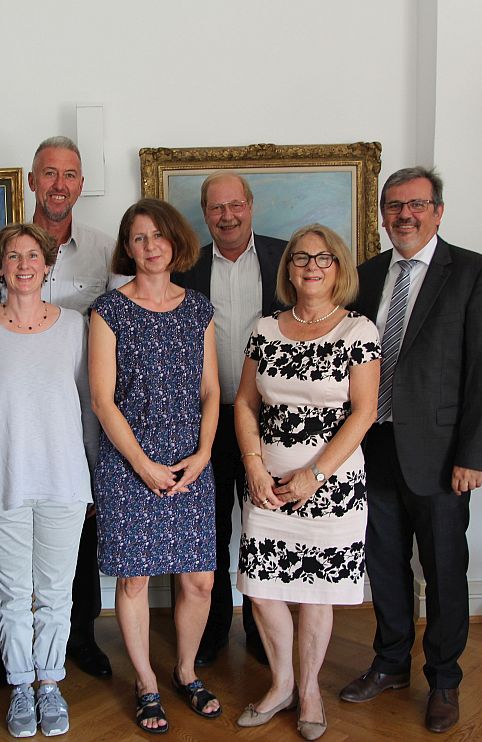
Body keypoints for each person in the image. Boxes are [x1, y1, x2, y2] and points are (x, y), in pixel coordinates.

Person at [339, 167, 482, 734]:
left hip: (441, 456)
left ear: (438, 210)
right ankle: (390, 663)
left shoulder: (475, 274)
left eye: (415, 204)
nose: (403, 215)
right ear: (383, 214)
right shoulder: (364, 275)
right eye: (393, 206)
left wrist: (474, 454)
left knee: (443, 568)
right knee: (384, 564)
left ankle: (444, 679)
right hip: (372, 445)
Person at [0, 136, 115, 683]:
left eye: (70, 174)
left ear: (81, 184)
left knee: (72, 539)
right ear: (32, 181)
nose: (59, 184)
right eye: (49, 173)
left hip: (73, 412)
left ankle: (77, 639)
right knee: (9, 556)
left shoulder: (103, 250)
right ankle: (9, 651)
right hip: (10, 422)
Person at [233, 225, 380, 740]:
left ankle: (311, 689)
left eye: (323, 259)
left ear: (339, 267)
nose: (311, 267)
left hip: (331, 486)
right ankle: (281, 685)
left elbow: (363, 412)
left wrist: (315, 474)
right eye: (300, 258)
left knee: (316, 593)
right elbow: (246, 402)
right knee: (264, 591)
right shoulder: (266, 327)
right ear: (288, 268)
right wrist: (253, 464)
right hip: (267, 483)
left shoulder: (357, 332)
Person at [0, 223, 97, 738]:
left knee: (57, 592)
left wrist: (96, 475)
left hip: (64, 479)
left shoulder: (76, 326)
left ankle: (50, 684)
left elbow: (89, 408)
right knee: (12, 595)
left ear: (48, 263)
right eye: (12, 256)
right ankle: (20, 686)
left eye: (32, 255)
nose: (23, 264)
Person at [89, 198, 221, 734]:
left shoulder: (199, 309)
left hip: (192, 462)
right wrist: (142, 464)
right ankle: (146, 682)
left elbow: (212, 390)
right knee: (136, 580)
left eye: (159, 236)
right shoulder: (108, 310)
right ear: (128, 247)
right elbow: (102, 399)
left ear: (175, 242)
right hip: (129, 464)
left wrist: (206, 452)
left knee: (200, 581)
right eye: (139, 238)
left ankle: (185, 671)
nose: (150, 246)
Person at [172, 171, 285, 667]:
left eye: (235, 205)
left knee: (266, 527)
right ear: (205, 214)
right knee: (211, 529)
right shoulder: (185, 269)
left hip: (274, 418)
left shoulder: (286, 259)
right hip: (208, 419)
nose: (227, 216)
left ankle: (265, 634)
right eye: (216, 208)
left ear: (251, 205)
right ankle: (214, 631)